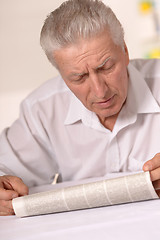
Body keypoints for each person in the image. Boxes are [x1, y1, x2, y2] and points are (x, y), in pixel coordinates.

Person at [0, 0, 160, 216]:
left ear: (125, 51)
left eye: (106, 67)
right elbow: (4, 169)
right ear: (61, 74)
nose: (99, 91)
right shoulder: (42, 109)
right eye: (78, 77)